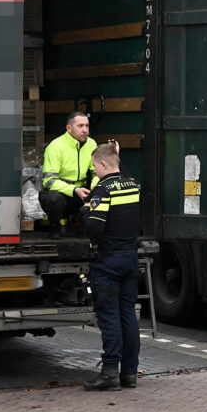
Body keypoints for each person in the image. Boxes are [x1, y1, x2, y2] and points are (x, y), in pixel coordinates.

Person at [81, 143, 141, 391]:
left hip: (108, 262)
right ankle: (129, 374)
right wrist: (118, 155)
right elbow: (122, 175)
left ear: (103, 164)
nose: (94, 171)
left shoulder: (103, 190)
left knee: (109, 316)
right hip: (129, 258)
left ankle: (109, 374)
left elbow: (93, 226)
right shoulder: (133, 185)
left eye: (95, 165)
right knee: (128, 314)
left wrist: (84, 209)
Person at [39, 111, 97, 238]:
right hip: (62, 192)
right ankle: (55, 227)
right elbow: (49, 181)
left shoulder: (92, 144)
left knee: (101, 190)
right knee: (53, 198)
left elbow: (97, 172)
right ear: (69, 128)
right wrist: (74, 190)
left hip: (82, 191)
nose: (85, 130)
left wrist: (94, 187)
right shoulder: (56, 146)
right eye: (80, 126)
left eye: (87, 126)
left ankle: (79, 222)